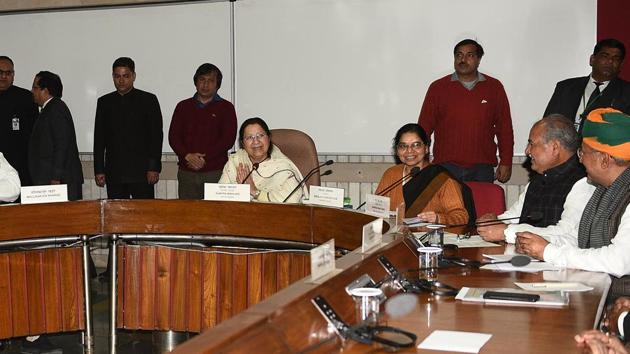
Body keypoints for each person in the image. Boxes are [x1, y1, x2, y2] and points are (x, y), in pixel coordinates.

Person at [517, 108, 630, 300]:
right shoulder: (602, 189)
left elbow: (619, 261)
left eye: (582, 152)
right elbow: (580, 241)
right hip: (597, 292)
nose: (580, 159)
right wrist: (538, 244)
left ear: (605, 159)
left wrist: (549, 252)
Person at [477, 114, 585, 242]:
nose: (527, 151)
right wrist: (493, 222)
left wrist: (506, 232)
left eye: (532, 144)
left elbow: (565, 233)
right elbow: (514, 216)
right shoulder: (539, 178)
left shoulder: (582, 183)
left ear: (555, 147)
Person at [418, 39, 514, 183]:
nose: (463, 59)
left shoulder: (494, 88)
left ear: (479, 59)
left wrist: (506, 161)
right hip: (445, 167)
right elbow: (423, 129)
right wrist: (422, 161)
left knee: (481, 206)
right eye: (459, 55)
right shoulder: (438, 88)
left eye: (469, 55)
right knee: (446, 206)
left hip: (482, 168)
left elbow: (504, 128)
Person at [93, 57, 163, 199]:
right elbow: (99, 139)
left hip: (142, 173)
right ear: (113, 77)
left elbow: (156, 137)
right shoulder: (104, 102)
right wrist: (99, 170)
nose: (121, 80)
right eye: (117, 76)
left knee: (144, 217)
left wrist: (153, 168)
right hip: (115, 173)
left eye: (126, 76)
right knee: (117, 218)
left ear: (133, 76)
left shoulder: (148, 100)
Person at [376, 123, 472, 225]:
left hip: (429, 237)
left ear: (426, 148)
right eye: (403, 146)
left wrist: (438, 218)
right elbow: (376, 208)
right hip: (395, 236)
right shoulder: (391, 174)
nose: (409, 151)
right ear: (397, 150)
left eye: (416, 145)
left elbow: (462, 216)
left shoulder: (441, 178)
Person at [169, 63, 237, 199]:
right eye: (202, 80)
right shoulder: (183, 106)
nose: (205, 85)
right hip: (186, 171)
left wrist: (202, 158)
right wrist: (188, 156)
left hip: (215, 171)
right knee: (188, 215)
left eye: (211, 81)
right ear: (196, 82)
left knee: (215, 215)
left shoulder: (226, 108)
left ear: (217, 84)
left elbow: (228, 140)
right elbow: (174, 137)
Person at [545, 38, 630, 132]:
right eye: (605, 56)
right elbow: (548, 123)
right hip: (563, 145)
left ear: (621, 64)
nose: (610, 61)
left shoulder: (626, 93)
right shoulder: (566, 87)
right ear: (592, 60)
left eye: (616, 58)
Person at [219, 117, 305, 203]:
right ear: (242, 144)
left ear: (269, 138)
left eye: (260, 135)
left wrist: (254, 191)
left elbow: (292, 200)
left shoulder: (283, 167)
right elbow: (219, 196)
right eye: (249, 137)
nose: (256, 141)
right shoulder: (236, 161)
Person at [28, 71, 83, 201]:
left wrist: (55, 177)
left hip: (59, 182)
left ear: (45, 91)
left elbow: (61, 145)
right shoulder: (50, 109)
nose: (32, 91)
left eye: (35, 88)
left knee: (64, 220)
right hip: (54, 181)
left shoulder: (56, 109)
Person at [0, 56, 38, 189]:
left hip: (21, 169)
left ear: (13, 75)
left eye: (8, 73)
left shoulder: (26, 98)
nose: (4, 76)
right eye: (0, 72)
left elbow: (35, 135)